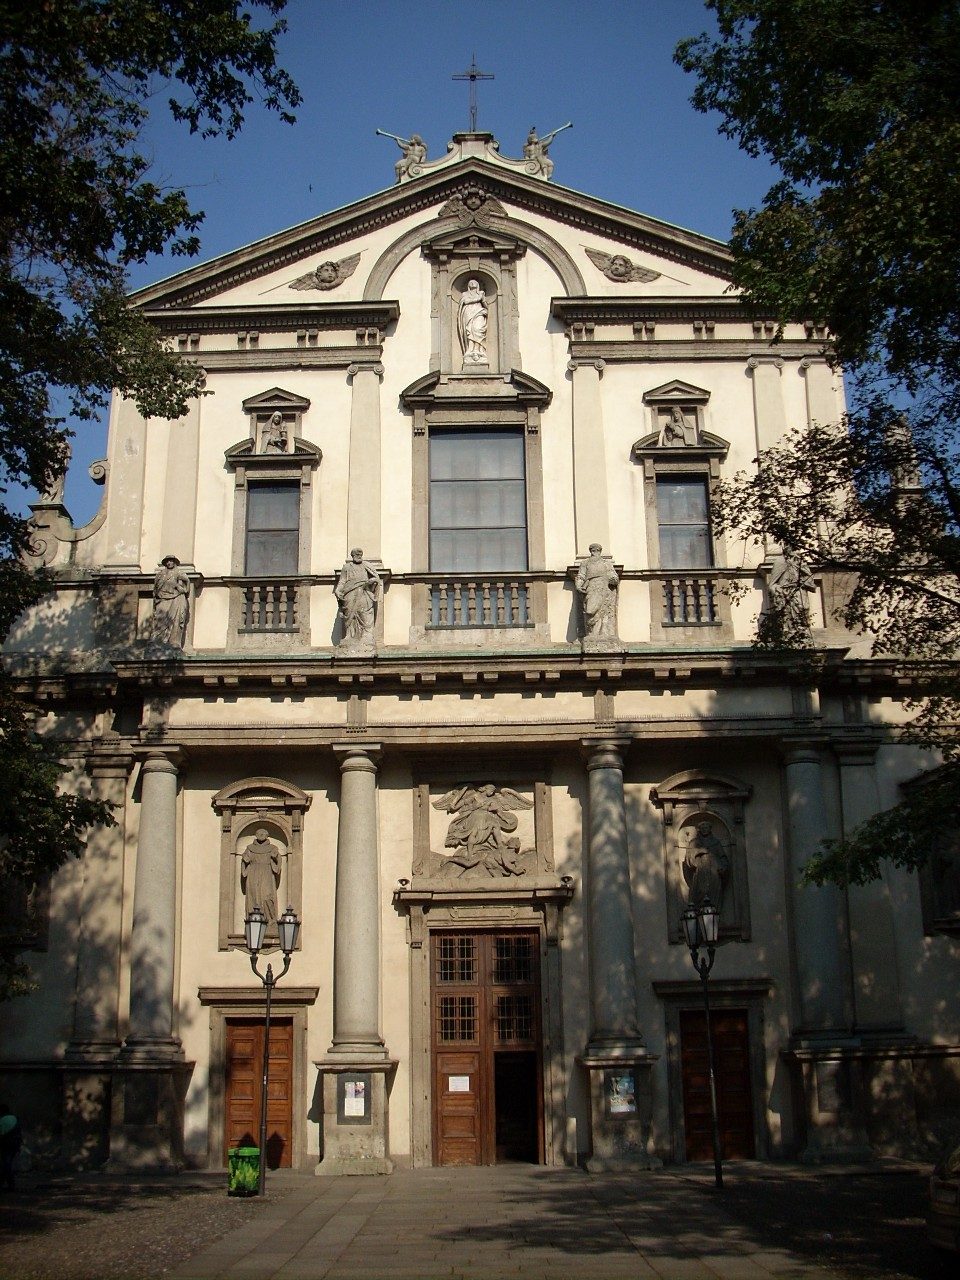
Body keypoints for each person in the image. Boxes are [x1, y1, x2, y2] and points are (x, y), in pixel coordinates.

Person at [334, 548, 381, 648]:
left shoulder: (366, 565)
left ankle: (366, 635)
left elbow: (376, 578)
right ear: (352, 555)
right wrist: (338, 590)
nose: (359, 556)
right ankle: (349, 635)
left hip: (364, 591)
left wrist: (371, 581)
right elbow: (342, 581)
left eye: (360, 554)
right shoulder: (346, 567)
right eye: (357, 554)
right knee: (350, 614)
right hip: (349, 592)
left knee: (364, 612)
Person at [682, 820, 730, 911]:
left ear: (710, 829)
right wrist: (700, 851)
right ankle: (700, 915)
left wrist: (723, 867)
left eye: (706, 827)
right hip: (701, 872)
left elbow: (722, 857)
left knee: (714, 894)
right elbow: (689, 858)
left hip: (714, 873)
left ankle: (714, 916)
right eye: (702, 828)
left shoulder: (716, 842)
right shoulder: (694, 842)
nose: (704, 829)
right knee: (702, 891)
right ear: (699, 830)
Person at [575, 544, 620, 639]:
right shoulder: (585, 563)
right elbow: (581, 576)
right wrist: (578, 585)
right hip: (590, 588)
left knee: (603, 611)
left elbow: (613, 575)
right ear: (590, 551)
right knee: (590, 611)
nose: (595, 552)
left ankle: (602, 633)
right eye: (593, 550)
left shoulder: (606, 563)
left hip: (603, 588)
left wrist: (613, 579)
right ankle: (591, 633)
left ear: (600, 551)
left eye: (597, 550)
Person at [240, 828, 282, 925]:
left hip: (267, 873)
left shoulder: (273, 848)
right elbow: (245, 860)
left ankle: (270, 919)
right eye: (259, 833)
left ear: (267, 836)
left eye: (263, 833)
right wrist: (245, 859)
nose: (261, 834)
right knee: (254, 896)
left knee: (267, 896)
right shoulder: (250, 848)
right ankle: (254, 918)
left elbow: (278, 861)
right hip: (253, 874)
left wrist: (274, 857)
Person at [148, 555, 190, 648]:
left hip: (176, 598)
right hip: (162, 599)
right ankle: (158, 640)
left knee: (175, 619)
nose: (169, 563)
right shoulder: (160, 574)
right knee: (160, 618)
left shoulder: (179, 573)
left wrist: (180, 587)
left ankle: (173, 641)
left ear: (174, 562)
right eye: (167, 561)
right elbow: (156, 588)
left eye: (171, 561)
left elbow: (186, 583)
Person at [457, 279, 488, 364]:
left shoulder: (481, 293)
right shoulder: (465, 294)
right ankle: (470, 349)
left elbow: (486, 305)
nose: (472, 282)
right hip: (468, 313)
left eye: (474, 282)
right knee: (469, 331)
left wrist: (483, 300)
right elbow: (465, 301)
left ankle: (477, 349)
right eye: (470, 282)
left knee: (478, 330)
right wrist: (478, 298)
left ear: (478, 284)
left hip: (479, 312)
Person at [0, 1104, 22, 1192]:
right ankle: (7, 1184)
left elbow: (1, 1133)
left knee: (6, 1165)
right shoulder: (15, 1118)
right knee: (7, 1164)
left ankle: (10, 1185)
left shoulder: (2, 1120)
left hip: (6, 1145)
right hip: (15, 1144)